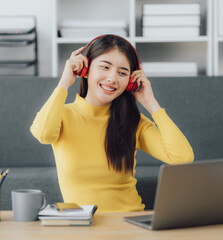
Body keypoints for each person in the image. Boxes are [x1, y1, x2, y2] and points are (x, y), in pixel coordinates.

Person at [30, 34, 194, 212]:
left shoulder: (133, 122)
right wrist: (64, 82)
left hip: (129, 223)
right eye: (105, 67)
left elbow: (182, 158)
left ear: (130, 82)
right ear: (85, 69)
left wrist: (150, 103)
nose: (112, 78)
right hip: (85, 225)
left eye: (122, 73)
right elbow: (43, 134)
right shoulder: (63, 115)